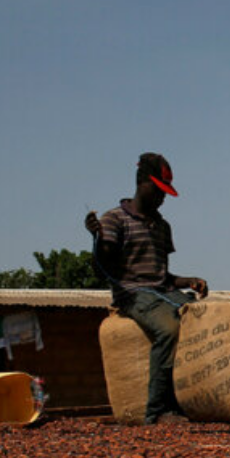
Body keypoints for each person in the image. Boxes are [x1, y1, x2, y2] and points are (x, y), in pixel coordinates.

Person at [84, 153, 207, 425]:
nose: (162, 198)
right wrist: (97, 238)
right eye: (159, 191)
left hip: (161, 291)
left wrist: (189, 282)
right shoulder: (114, 219)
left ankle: (195, 398)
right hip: (133, 294)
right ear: (142, 183)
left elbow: (162, 276)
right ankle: (158, 411)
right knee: (169, 329)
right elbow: (102, 268)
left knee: (204, 316)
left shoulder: (162, 226)